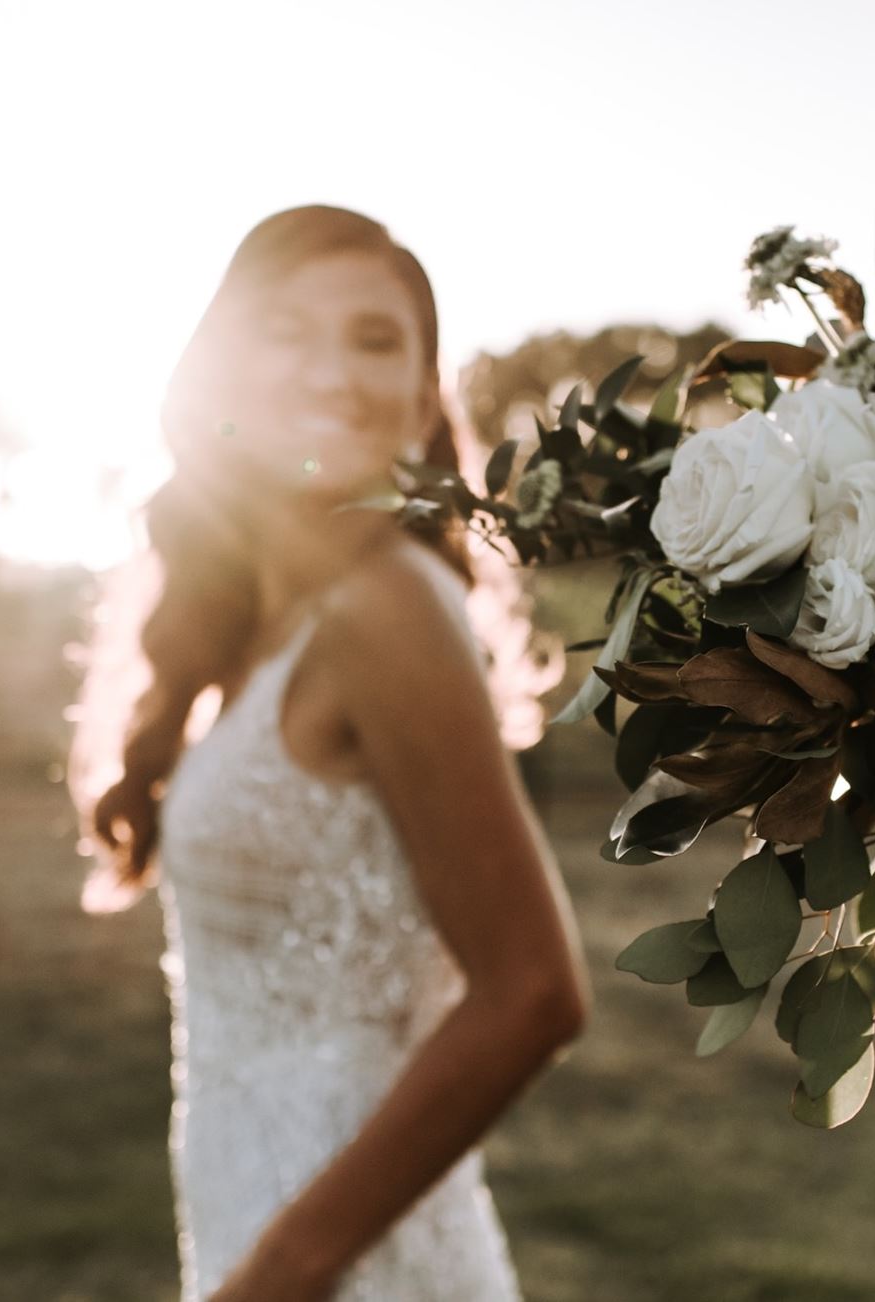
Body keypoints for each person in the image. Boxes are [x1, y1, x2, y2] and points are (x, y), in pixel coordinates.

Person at [70, 205, 586, 1302]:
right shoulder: (270, 623)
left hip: (342, 1256)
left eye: (374, 339)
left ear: (419, 393)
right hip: (253, 1195)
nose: (332, 372)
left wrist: (283, 1271)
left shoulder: (385, 608)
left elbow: (532, 992)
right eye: (286, 331)